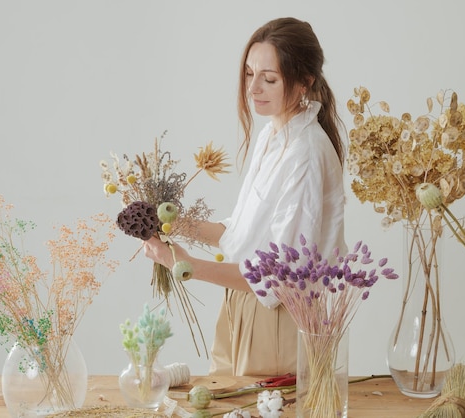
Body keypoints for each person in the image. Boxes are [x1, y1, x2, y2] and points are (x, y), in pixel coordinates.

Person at [143, 17, 347, 376]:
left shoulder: (307, 152)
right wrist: (172, 223)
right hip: (241, 301)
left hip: (278, 317)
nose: (254, 88)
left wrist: (184, 266)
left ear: (304, 82)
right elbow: (240, 233)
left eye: (269, 78)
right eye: (249, 74)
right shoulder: (273, 135)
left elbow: (281, 275)